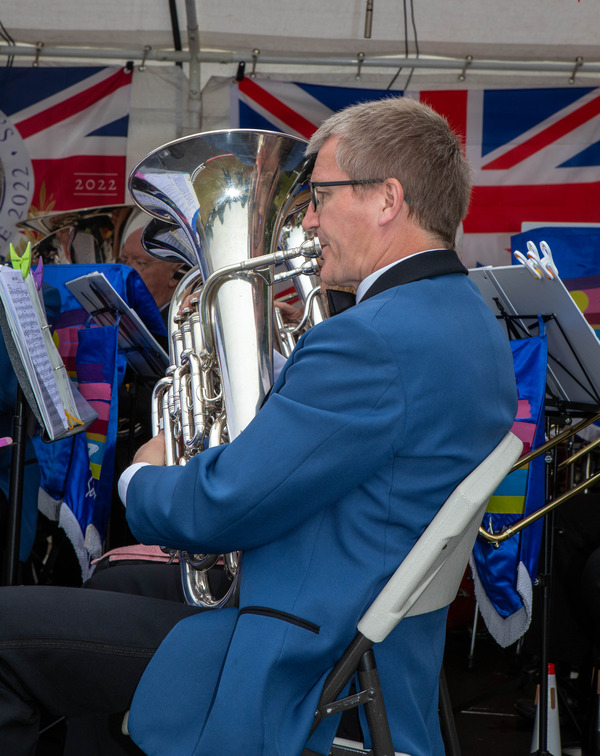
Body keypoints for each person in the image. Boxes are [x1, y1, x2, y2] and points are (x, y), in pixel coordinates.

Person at [0, 97, 517, 756]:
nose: (306, 220)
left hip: (295, 654)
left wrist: (142, 477)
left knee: (6, 629)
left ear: (388, 199)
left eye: (320, 196)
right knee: (116, 581)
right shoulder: (468, 319)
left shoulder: (372, 338)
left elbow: (222, 507)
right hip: (358, 629)